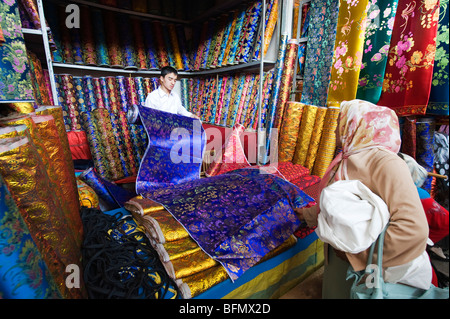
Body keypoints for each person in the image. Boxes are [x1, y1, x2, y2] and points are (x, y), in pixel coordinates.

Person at [295, 99, 432, 298]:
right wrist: (307, 214)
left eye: (341, 124)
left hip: (369, 268)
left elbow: (413, 229)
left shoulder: (385, 163)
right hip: (342, 262)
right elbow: (340, 207)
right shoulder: (348, 157)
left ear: (357, 125)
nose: (335, 131)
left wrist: (357, 255)